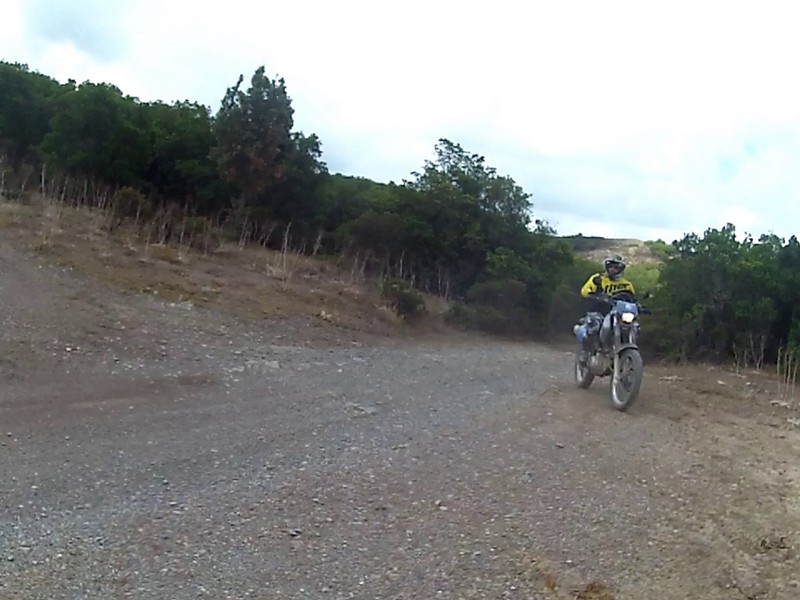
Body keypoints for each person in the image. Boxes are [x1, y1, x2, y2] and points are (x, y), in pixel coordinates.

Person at [577, 254, 636, 362]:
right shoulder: (598, 279)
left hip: (617, 312)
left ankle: (625, 351)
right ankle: (585, 352)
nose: (613, 269)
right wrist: (596, 296)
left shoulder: (626, 284)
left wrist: (639, 305)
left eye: (616, 267)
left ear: (621, 269)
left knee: (634, 325)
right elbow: (584, 291)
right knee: (594, 326)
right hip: (599, 310)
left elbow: (632, 298)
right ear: (607, 267)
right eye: (611, 266)